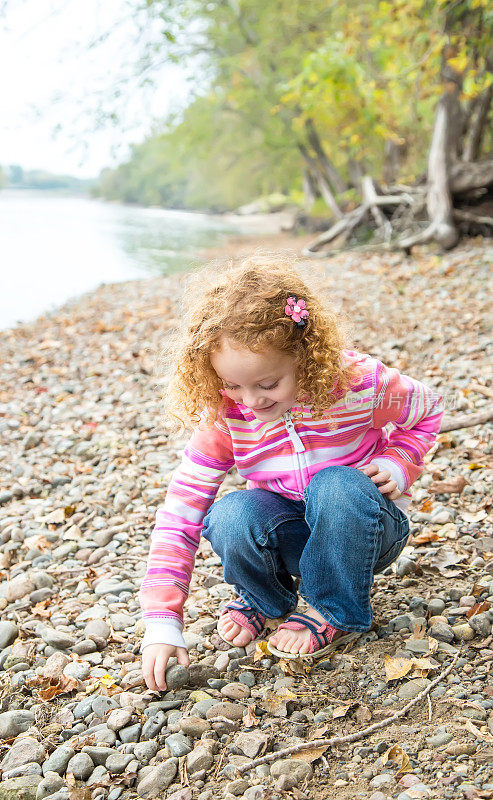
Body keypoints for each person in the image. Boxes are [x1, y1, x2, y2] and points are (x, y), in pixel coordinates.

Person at [140, 256, 443, 692]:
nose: (251, 401)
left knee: (335, 483)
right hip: (293, 537)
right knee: (231, 514)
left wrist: (400, 461)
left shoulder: (357, 385)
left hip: (364, 530)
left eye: (267, 384)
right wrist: (162, 619)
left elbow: (429, 409)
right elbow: (180, 510)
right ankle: (265, 599)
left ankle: (330, 606)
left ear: (304, 356)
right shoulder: (228, 418)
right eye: (233, 385)